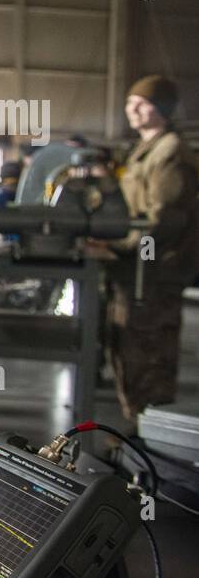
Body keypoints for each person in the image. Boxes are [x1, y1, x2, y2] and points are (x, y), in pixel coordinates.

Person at [89, 75, 199, 426]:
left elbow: (163, 221)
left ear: (162, 109)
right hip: (133, 274)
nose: (131, 109)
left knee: (149, 360)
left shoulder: (169, 153)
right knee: (126, 353)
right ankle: (135, 435)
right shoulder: (144, 150)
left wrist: (120, 245)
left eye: (142, 103)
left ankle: (150, 446)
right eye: (129, 102)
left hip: (151, 276)